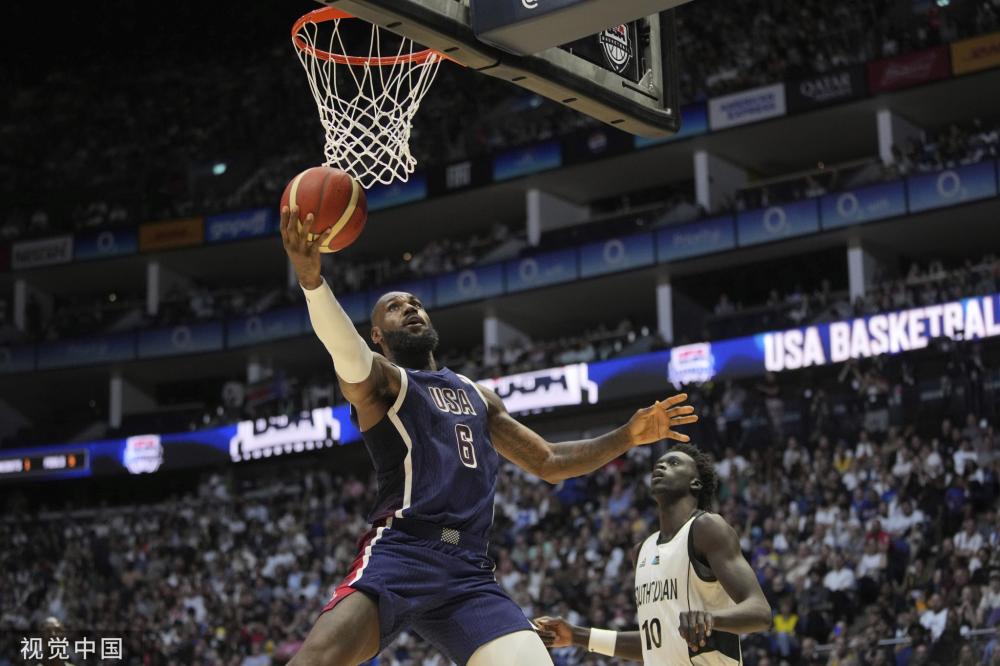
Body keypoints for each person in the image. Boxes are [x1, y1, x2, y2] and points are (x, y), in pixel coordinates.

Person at [280, 208, 700, 666]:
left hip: (467, 571)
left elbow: (550, 461)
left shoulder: (478, 396)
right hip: (404, 553)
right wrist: (311, 281)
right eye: (396, 308)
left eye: (415, 302)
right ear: (378, 335)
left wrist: (627, 435)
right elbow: (346, 351)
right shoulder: (385, 382)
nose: (411, 308)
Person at [534, 443, 771, 664]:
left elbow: (760, 612)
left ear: (695, 483)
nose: (661, 466)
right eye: (659, 463)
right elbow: (653, 644)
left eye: (674, 463)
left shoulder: (706, 528)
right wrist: (577, 635)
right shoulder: (643, 550)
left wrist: (711, 618)